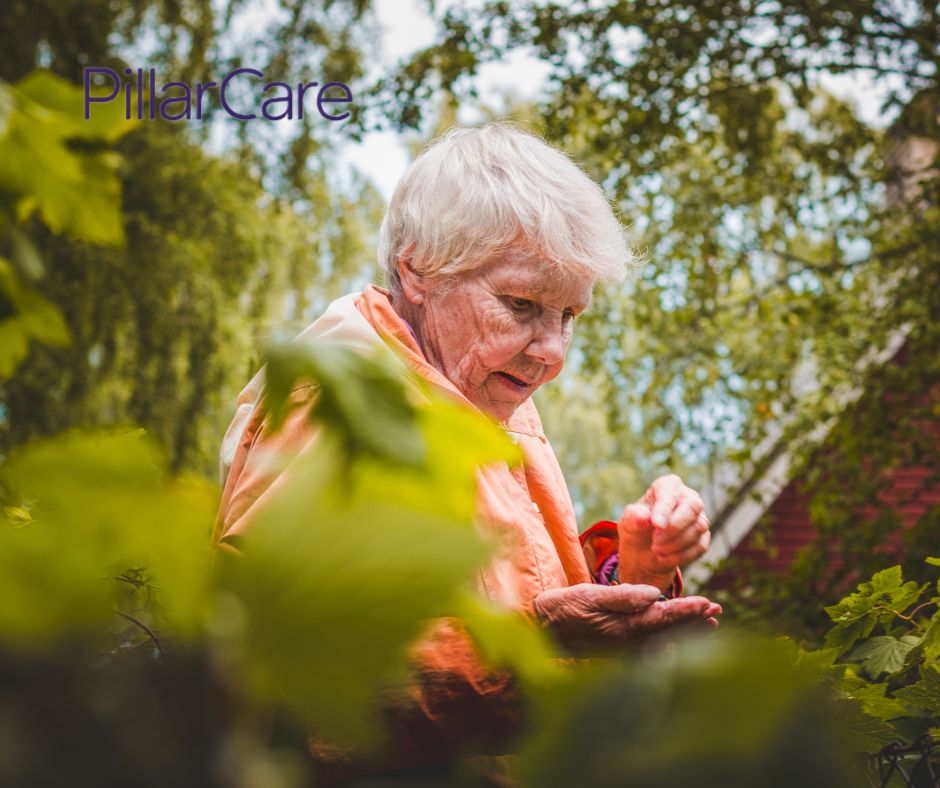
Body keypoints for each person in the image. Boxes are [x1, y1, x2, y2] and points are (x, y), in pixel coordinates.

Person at [214, 123, 720, 777]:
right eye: (521, 304)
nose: (552, 352)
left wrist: (634, 573)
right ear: (417, 269)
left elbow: (517, 593)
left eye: (569, 316)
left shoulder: (482, 390)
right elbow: (276, 686)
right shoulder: (339, 406)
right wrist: (531, 643)